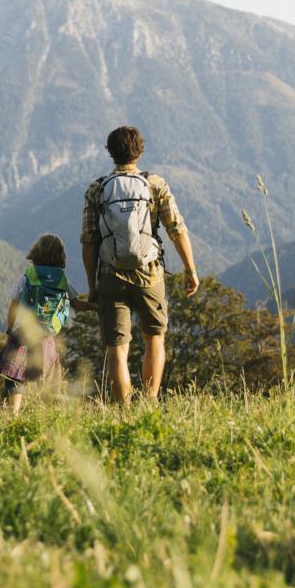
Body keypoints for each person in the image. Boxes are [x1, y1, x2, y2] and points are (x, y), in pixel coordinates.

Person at [80, 125, 200, 404]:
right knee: (154, 338)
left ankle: (123, 411)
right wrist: (190, 270)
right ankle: (148, 403)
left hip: (110, 274)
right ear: (139, 151)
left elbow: (89, 242)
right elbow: (176, 229)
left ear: (110, 152)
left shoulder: (97, 189)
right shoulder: (155, 184)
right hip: (150, 274)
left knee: (117, 348)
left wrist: (92, 286)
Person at [0, 234, 83, 413]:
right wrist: (97, 306)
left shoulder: (29, 275)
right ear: (60, 255)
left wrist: (10, 329)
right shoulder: (62, 280)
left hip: (22, 333)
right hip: (46, 336)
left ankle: (14, 412)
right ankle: (47, 413)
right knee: (46, 378)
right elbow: (77, 303)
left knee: (16, 378)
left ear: (36, 252)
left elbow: (14, 305)